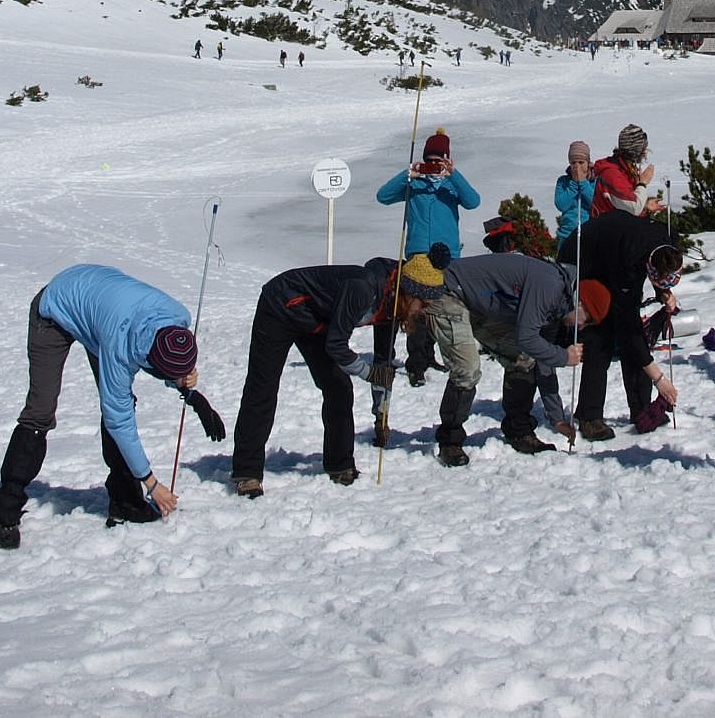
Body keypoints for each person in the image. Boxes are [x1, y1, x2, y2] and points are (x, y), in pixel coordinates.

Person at [0, 265, 223, 549]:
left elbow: (165, 361)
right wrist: (151, 484)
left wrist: (190, 392)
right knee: (41, 411)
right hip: (54, 309)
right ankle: (5, 512)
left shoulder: (177, 317)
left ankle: (126, 502)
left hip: (100, 307)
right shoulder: (120, 347)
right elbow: (118, 419)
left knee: (119, 401)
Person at [230, 255, 443, 494]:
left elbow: (382, 362)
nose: (424, 310)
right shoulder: (363, 289)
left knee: (339, 388)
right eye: (423, 303)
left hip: (316, 320)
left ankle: (340, 465)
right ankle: (247, 472)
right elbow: (337, 346)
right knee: (263, 388)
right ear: (410, 293)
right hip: (280, 305)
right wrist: (368, 373)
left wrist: (381, 414)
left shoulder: (393, 306)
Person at [431, 252, 599, 464]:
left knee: (524, 358)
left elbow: (542, 357)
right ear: (580, 303)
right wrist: (564, 356)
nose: (581, 327)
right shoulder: (549, 286)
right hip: (450, 292)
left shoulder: (559, 302)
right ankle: (449, 441)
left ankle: (519, 431)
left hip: (480, 304)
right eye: (587, 320)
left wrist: (557, 420)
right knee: (467, 370)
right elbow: (527, 338)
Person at [557, 209, 681, 439]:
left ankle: (641, 408)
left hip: (614, 246)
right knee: (601, 336)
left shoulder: (668, 238)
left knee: (631, 340)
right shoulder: (628, 262)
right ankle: (589, 416)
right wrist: (659, 379)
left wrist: (663, 292)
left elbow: (661, 268)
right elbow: (629, 326)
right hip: (585, 259)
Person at [376, 128, 482, 386]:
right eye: (429, 161)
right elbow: (383, 196)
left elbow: (473, 202)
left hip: (447, 257)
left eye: (438, 161)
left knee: (443, 307)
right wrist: (408, 175)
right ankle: (416, 364)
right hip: (418, 255)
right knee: (417, 310)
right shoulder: (415, 185)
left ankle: (435, 354)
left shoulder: (451, 186)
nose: (433, 166)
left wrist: (454, 174)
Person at [592, 125, 664, 218]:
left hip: (616, 224)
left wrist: (645, 205)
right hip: (608, 226)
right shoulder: (612, 174)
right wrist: (642, 184)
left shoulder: (624, 170)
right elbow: (634, 208)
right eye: (643, 149)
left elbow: (624, 203)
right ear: (635, 152)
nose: (645, 152)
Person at [553, 140, 596, 247]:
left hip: (589, 234)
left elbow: (595, 203)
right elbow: (561, 204)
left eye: (581, 162)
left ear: (588, 163)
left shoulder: (595, 181)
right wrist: (573, 185)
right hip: (567, 235)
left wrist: (583, 183)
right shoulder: (563, 181)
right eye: (573, 163)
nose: (577, 167)